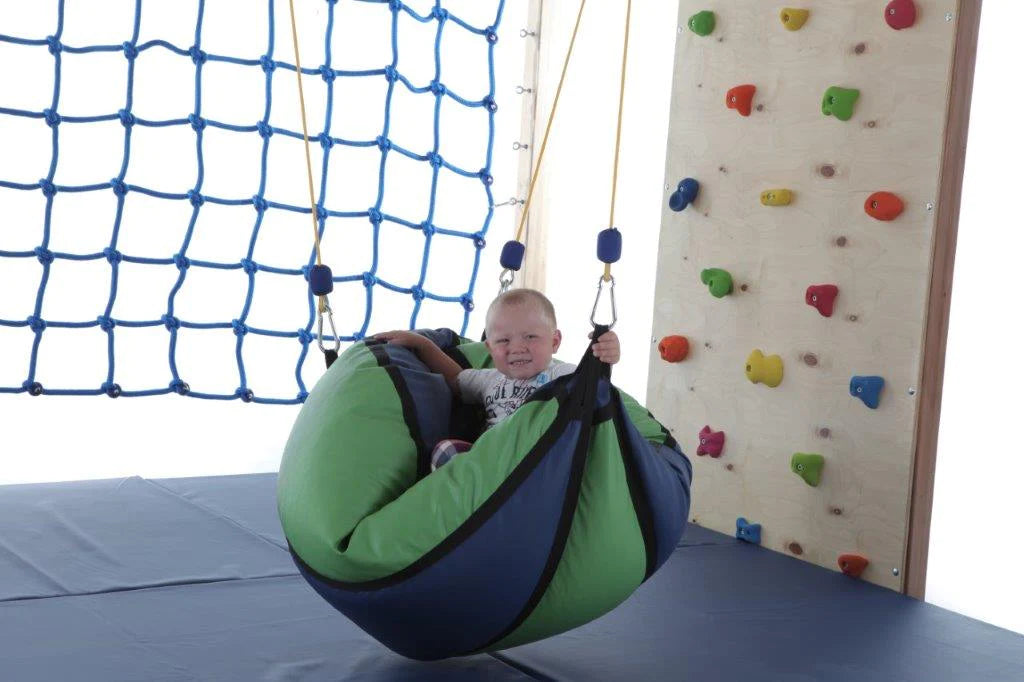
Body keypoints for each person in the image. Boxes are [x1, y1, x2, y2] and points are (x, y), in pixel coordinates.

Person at [373, 288, 620, 469]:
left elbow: (593, 389)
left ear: (554, 342)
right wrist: (422, 345)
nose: (517, 348)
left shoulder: (561, 374)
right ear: (489, 349)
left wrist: (606, 356)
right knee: (446, 452)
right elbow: (456, 379)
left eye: (530, 337)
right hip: (490, 465)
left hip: (538, 458)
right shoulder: (490, 380)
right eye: (503, 340)